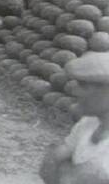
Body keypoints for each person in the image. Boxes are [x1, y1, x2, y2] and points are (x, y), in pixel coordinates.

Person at [39, 51, 109, 184]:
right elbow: (50, 163)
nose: (74, 91)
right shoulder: (89, 122)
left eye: (83, 85)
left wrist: (66, 170)